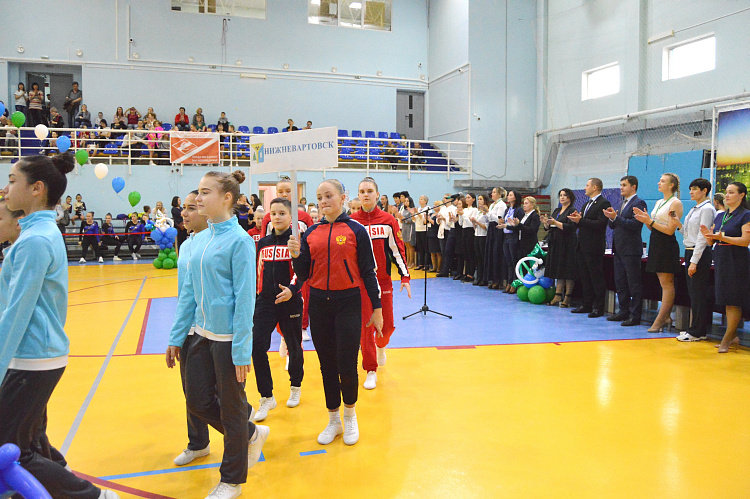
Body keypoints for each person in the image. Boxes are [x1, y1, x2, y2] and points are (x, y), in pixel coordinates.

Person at [0, 154, 120, 498]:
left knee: (14, 450)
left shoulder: (35, 240)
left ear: (36, 188)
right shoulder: (38, 233)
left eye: (12, 180)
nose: (5, 188)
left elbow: (17, 312)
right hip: (38, 354)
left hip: (32, 357)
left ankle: (94, 496)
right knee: (32, 438)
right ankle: (62, 474)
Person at [167, 171, 268, 499]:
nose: (198, 198)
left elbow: (245, 300)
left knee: (232, 409)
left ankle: (232, 480)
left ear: (226, 198)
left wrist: (241, 351)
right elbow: (188, 294)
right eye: (198, 192)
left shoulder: (239, 241)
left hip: (227, 340)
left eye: (205, 192)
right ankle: (251, 434)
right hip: (200, 334)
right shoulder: (198, 241)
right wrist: (176, 336)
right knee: (196, 401)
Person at [288, 179, 382, 446]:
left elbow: (368, 271)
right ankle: (333, 420)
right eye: (319, 197)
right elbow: (303, 274)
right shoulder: (311, 233)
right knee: (326, 364)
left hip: (348, 303)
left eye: (328, 196)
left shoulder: (356, 230)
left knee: (346, 363)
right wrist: (296, 256)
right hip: (319, 304)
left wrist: (377, 308)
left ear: (343, 198)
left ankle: (350, 416)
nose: (323, 201)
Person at [167, 190, 214, 467]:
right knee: (191, 391)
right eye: (183, 208)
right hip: (189, 327)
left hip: (213, 328)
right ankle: (198, 443)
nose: (184, 213)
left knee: (219, 392)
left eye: (191, 208)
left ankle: (244, 431)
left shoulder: (217, 243)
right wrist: (177, 332)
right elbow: (184, 293)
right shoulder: (185, 244)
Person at [351, 177, 410, 390]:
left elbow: (397, 250)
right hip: (361, 285)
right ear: (358, 195)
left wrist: (405, 276)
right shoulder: (351, 222)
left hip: (383, 282)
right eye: (362, 191)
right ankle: (370, 369)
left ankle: (381, 346)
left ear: (377, 195)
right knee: (365, 328)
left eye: (369, 191)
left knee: (387, 326)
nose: (366, 194)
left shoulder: (388, 220)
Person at [252, 198, 306, 421]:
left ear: (290, 216)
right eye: (273, 213)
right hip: (265, 302)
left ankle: (295, 385)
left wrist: (292, 290)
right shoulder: (263, 243)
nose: (277, 217)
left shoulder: (296, 241)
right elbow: (258, 271)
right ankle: (266, 396)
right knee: (257, 347)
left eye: (282, 213)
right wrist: (257, 296)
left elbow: (301, 271)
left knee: (294, 345)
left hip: (290, 301)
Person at [701, 182, 750, 353]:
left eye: (731, 192)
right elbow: (712, 241)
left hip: (736, 259)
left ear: (741, 195)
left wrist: (723, 238)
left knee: (733, 299)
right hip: (721, 257)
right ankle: (732, 335)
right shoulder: (721, 216)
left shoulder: (745, 215)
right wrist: (708, 235)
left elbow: (745, 241)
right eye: (726, 192)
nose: (727, 195)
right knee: (725, 298)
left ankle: (727, 338)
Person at [634, 173, 683, 332]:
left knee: (667, 283)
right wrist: (646, 220)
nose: (658, 183)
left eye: (662, 181)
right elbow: (653, 226)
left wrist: (650, 221)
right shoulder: (659, 202)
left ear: (671, 185)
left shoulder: (675, 203)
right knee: (661, 282)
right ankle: (665, 315)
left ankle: (661, 318)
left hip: (667, 245)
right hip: (655, 242)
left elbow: (670, 230)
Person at [676, 178, 717, 342]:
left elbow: (702, 237)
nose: (691, 192)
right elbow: (689, 234)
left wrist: (694, 262)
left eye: (694, 189)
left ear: (704, 190)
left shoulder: (707, 209)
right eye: (690, 189)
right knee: (693, 293)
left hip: (699, 252)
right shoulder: (695, 208)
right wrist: (678, 224)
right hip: (690, 250)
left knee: (698, 293)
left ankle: (697, 331)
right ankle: (697, 329)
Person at [603, 176, 647, 326]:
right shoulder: (621, 203)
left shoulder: (638, 203)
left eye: (624, 185)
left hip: (631, 250)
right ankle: (623, 311)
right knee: (620, 282)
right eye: (620, 185)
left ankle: (635, 315)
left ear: (633, 187)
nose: (621, 187)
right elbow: (614, 225)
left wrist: (616, 218)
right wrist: (611, 218)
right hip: (619, 249)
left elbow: (635, 225)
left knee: (633, 284)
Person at [568, 178, 612, 317]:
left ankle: (598, 307)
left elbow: (600, 224)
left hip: (594, 246)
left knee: (595, 276)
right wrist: (577, 220)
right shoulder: (586, 204)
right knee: (585, 276)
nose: (585, 188)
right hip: (582, 244)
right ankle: (586, 303)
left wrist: (581, 220)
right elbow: (583, 223)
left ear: (594, 187)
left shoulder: (603, 203)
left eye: (587, 185)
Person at [542, 188, 578, 307]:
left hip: (567, 243)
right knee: (559, 270)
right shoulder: (557, 210)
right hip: (555, 243)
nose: (562, 197)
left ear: (570, 198)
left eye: (564, 195)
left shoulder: (572, 210)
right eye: (561, 195)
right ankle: (557, 295)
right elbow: (549, 227)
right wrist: (546, 223)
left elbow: (571, 228)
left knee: (567, 271)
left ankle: (567, 297)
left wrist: (555, 223)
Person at [499, 190, 522, 293]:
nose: (508, 196)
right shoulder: (507, 209)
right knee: (508, 261)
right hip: (506, 236)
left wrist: (508, 226)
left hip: (513, 236)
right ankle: (509, 282)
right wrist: (502, 223)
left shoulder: (519, 210)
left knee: (514, 261)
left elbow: (518, 226)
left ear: (515, 198)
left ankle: (514, 283)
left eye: (510, 195)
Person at [485, 187, 507, 290]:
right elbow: (490, 218)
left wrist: (488, 213)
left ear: (499, 194)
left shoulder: (501, 205)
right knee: (490, 252)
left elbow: (499, 219)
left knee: (496, 253)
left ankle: (497, 279)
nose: (492, 194)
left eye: (494, 192)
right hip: (491, 228)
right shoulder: (492, 205)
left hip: (497, 229)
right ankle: (491, 278)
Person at [436, 194, 459, 278]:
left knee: (448, 251)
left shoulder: (453, 208)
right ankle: (444, 269)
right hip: (442, 230)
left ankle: (449, 269)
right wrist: (439, 219)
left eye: (446, 198)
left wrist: (444, 219)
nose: (444, 199)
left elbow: (451, 221)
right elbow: (438, 220)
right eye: (444, 198)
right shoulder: (442, 208)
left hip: (449, 230)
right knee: (443, 251)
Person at [472, 194, 490, 286]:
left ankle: (484, 278)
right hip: (477, 234)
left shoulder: (487, 212)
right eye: (478, 199)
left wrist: (477, 222)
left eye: (481, 199)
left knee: (483, 257)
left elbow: (486, 227)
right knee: (478, 257)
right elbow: (475, 227)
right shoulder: (478, 212)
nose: (479, 201)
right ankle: (478, 277)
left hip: (483, 235)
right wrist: (473, 222)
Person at [400, 196, 417, 268]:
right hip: (404, 228)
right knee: (406, 245)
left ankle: (412, 262)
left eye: (407, 201)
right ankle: (407, 262)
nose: (406, 202)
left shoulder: (412, 210)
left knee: (410, 246)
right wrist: (401, 219)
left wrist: (403, 218)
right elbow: (402, 220)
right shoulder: (404, 210)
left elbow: (412, 220)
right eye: (405, 201)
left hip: (410, 228)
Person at [414, 195, 429, 270]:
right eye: (419, 199)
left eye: (421, 199)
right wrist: (413, 214)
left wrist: (417, 213)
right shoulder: (419, 209)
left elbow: (423, 219)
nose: (420, 200)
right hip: (418, 229)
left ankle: (426, 264)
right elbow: (415, 219)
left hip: (424, 229)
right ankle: (421, 263)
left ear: (425, 201)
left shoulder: (427, 208)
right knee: (420, 248)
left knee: (425, 247)